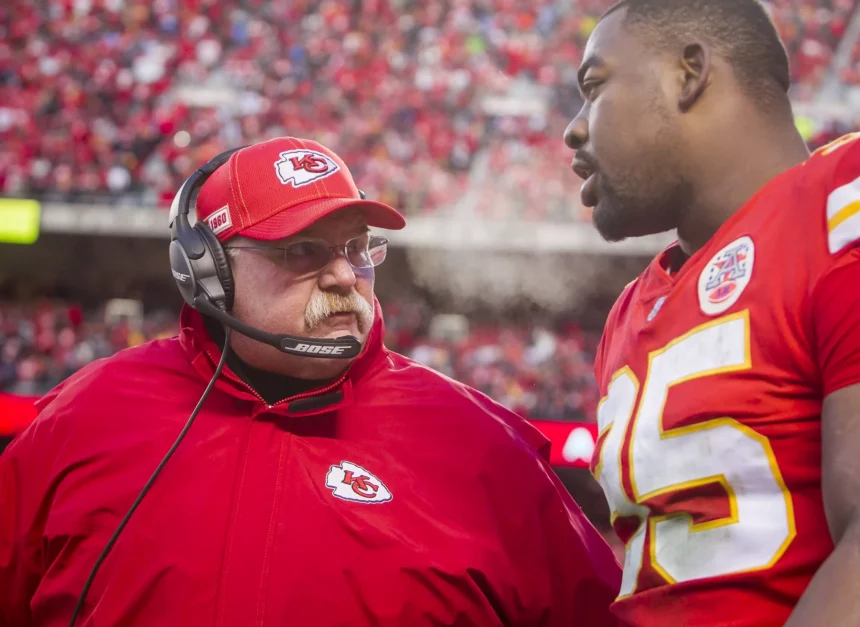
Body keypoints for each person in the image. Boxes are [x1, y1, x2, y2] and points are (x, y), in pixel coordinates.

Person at [0, 137, 621, 627]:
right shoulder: (83, 419)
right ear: (207, 269)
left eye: (356, 248)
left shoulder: (485, 448)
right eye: (301, 251)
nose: (345, 276)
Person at [563, 0, 860, 625]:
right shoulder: (631, 310)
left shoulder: (840, 199)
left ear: (688, 73)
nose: (575, 128)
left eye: (595, 88)